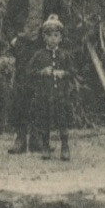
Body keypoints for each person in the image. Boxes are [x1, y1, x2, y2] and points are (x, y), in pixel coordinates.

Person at [3, 0, 65, 154]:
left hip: (45, 47)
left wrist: (56, 35)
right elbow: (8, 19)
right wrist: (13, 40)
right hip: (25, 47)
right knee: (22, 91)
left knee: (44, 92)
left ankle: (40, 139)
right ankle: (20, 138)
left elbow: (64, 17)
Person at [26, 14, 75, 161]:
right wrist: (42, 72)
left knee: (62, 120)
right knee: (44, 121)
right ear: (44, 38)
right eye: (49, 36)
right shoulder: (39, 55)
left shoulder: (65, 55)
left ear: (60, 38)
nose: (53, 39)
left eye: (56, 35)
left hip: (61, 95)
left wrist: (63, 73)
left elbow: (73, 72)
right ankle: (45, 147)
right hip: (44, 95)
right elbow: (29, 72)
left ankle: (65, 146)